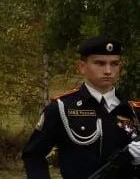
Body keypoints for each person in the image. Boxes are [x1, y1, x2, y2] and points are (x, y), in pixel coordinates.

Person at [22, 36, 140, 179]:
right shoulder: (62, 108)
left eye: (114, 64)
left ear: (120, 67)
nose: (108, 71)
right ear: (82, 67)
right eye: (100, 63)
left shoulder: (134, 111)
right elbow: (33, 155)